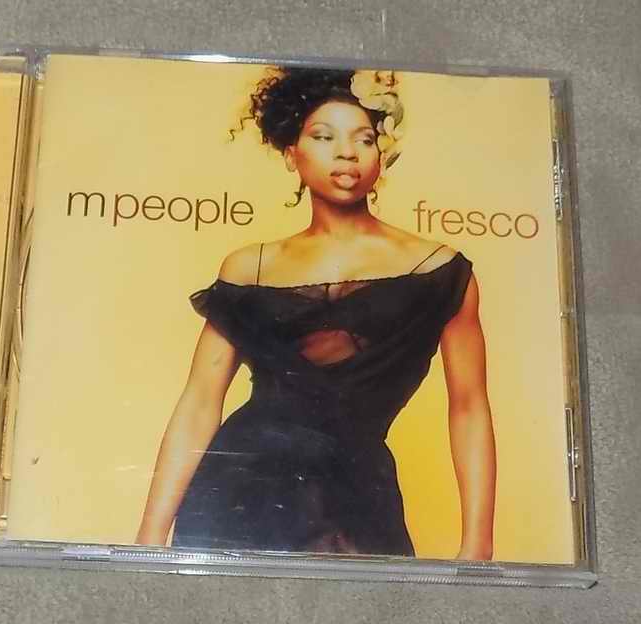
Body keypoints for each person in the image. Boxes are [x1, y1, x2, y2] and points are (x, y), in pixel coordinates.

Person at [136, 67, 496, 559]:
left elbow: (469, 407)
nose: (346, 152)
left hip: (358, 489)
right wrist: (149, 536)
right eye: (324, 137)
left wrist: (478, 545)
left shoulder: (440, 270)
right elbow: (199, 402)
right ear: (292, 155)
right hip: (240, 491)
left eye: (364, 139)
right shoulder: (249, 267)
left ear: (382, 153)